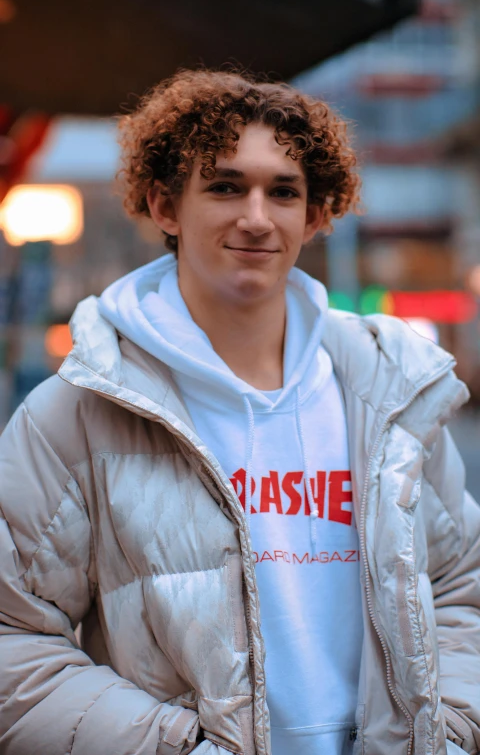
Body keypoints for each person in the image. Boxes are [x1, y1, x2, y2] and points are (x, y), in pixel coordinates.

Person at [0, 69, 479, 755]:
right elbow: (12, 639)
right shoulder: (76, 412)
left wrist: (451, 730)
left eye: (283, 191)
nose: (256, 216)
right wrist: (177, 749)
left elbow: (463, 590)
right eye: (225, 186)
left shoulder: (391, 394)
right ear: (165, 205)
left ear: (314, 216)